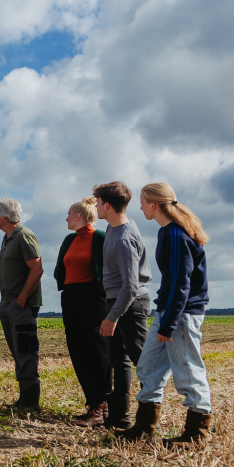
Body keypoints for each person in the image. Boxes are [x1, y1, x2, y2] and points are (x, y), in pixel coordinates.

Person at [117, 183, 212, 447]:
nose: (140, 206)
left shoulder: (175, 235)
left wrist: (168, 324)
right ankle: (144, 428)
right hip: (168, 312)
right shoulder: (168, 232)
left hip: (180, 315)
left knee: (188, 371)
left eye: (142, 201)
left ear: (153, 205)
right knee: (148, 366)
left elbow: (181, 283)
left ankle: (196, 435)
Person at [93, 181, 153, 429]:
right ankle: (120, 417)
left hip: (130, 304)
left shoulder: (123, 239)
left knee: (143, 362)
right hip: (117, 300)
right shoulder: (115, 227)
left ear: (107, 205)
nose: (95, 207)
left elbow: (130, 286)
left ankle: (148, 420)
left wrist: (112, 317)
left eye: (97, 203)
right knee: (119, 358)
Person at [54, 197, 109, 427]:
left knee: (96, 351)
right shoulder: (69, 239)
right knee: (77, 350)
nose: (66, 218)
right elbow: (61, 268)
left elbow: (108, 268)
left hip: (93, 299)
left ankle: (101, 407)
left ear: (78, 216)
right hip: (71, 298)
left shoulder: (99, 237)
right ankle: (92, 404)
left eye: (69, 214)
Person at [0, 198, 44, 412]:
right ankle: (24, 399)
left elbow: (37, 269)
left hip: (21, 307)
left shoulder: (24, 236)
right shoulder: (7, 238)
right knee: (17, 351)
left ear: (5, 217)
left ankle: (31, 402)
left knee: (25, 351)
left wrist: (21, 300)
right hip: (8, 305)